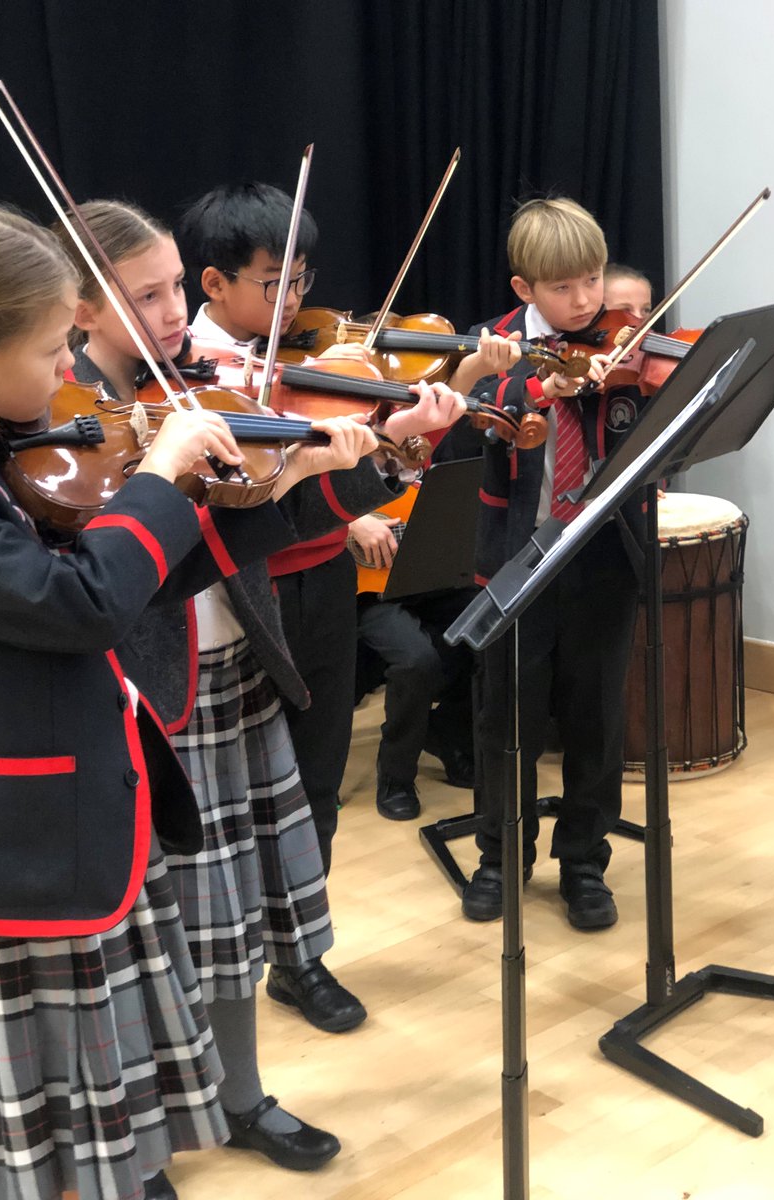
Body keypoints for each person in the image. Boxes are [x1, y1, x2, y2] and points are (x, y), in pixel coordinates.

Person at [0, 198, 316, 1200]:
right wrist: (163, 474)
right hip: (27, 834)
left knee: (111, 1093)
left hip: (86, 799)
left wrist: (304, 479)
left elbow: (144, 579)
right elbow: (81, 600)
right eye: (52, 351)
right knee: (56, 1096)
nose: (64, 373)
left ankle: (129, 1175)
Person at [64, 198, 464, 1169]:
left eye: (172, 290)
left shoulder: (202, 388)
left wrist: (390, 451)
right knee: (143, 939)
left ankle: (239, 1098)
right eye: (147, 294)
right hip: (144, 699)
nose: (171, 315)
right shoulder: (61, 425)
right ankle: (142, 1144)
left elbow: (274, 520)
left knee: (237, 910)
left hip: (237, 662)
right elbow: (104, 577)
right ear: (77, 306)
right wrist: (165, 471)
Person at [178, 182, 479, 1033]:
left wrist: (401, 444)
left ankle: (299, 954)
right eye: (277, 282)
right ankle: (216, 963)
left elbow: (337, 495)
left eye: (304, 279)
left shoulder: (309, 363)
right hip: (246, 595)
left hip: (321, 586)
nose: (299, 303)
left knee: (313, 778)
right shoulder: (188, 377)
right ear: (214, 283)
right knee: (231, 797)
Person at [445, 196, 646, 931]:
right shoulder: (491, 346)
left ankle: (585, 863)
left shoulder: (622, 342)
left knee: (596, 716)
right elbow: (473, 411)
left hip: (602, 556)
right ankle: (499, 856)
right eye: (564, 288)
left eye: (593, 281)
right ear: (524, 290)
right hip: (515, 560)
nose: (586, 300)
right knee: (506, 715)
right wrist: (535, 385)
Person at [350, 479, 478, 821]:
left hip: (430, 575)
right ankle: (396, 776)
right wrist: (350, 521)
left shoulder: (439, 433)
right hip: (367, 590)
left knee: (491, 627)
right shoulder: (333, 429)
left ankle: (444, 732)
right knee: (415, 660)